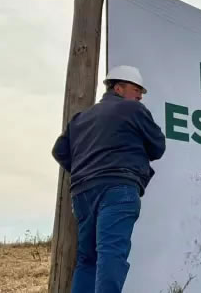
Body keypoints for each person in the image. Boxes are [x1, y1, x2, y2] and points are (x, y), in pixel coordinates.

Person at [52, 65, 166, 293]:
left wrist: (85, 169)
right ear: (118, 88)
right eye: (136, 89)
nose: (140, 96)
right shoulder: (133, 109)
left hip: (83, 194)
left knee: (87, 260)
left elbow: (59, 151)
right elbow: (158, 146)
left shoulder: (80, 119)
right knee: (111, 254)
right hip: (118, 188)